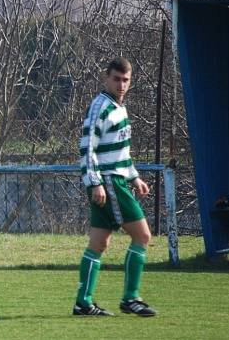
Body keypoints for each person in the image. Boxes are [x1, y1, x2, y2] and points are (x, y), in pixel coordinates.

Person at [73, 57, 156, 317]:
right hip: (108, 181)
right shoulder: (100, 107)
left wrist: (134, 177)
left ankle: (83, 303)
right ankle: (131, 298)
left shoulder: (119, 108)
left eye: (126, 80)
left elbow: (121, 152)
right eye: (116, 79)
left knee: (98, 243)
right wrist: (95, 182)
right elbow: (87, 148)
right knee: (142, 236)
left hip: (116, 179)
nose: (121, 84)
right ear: (105, 78)